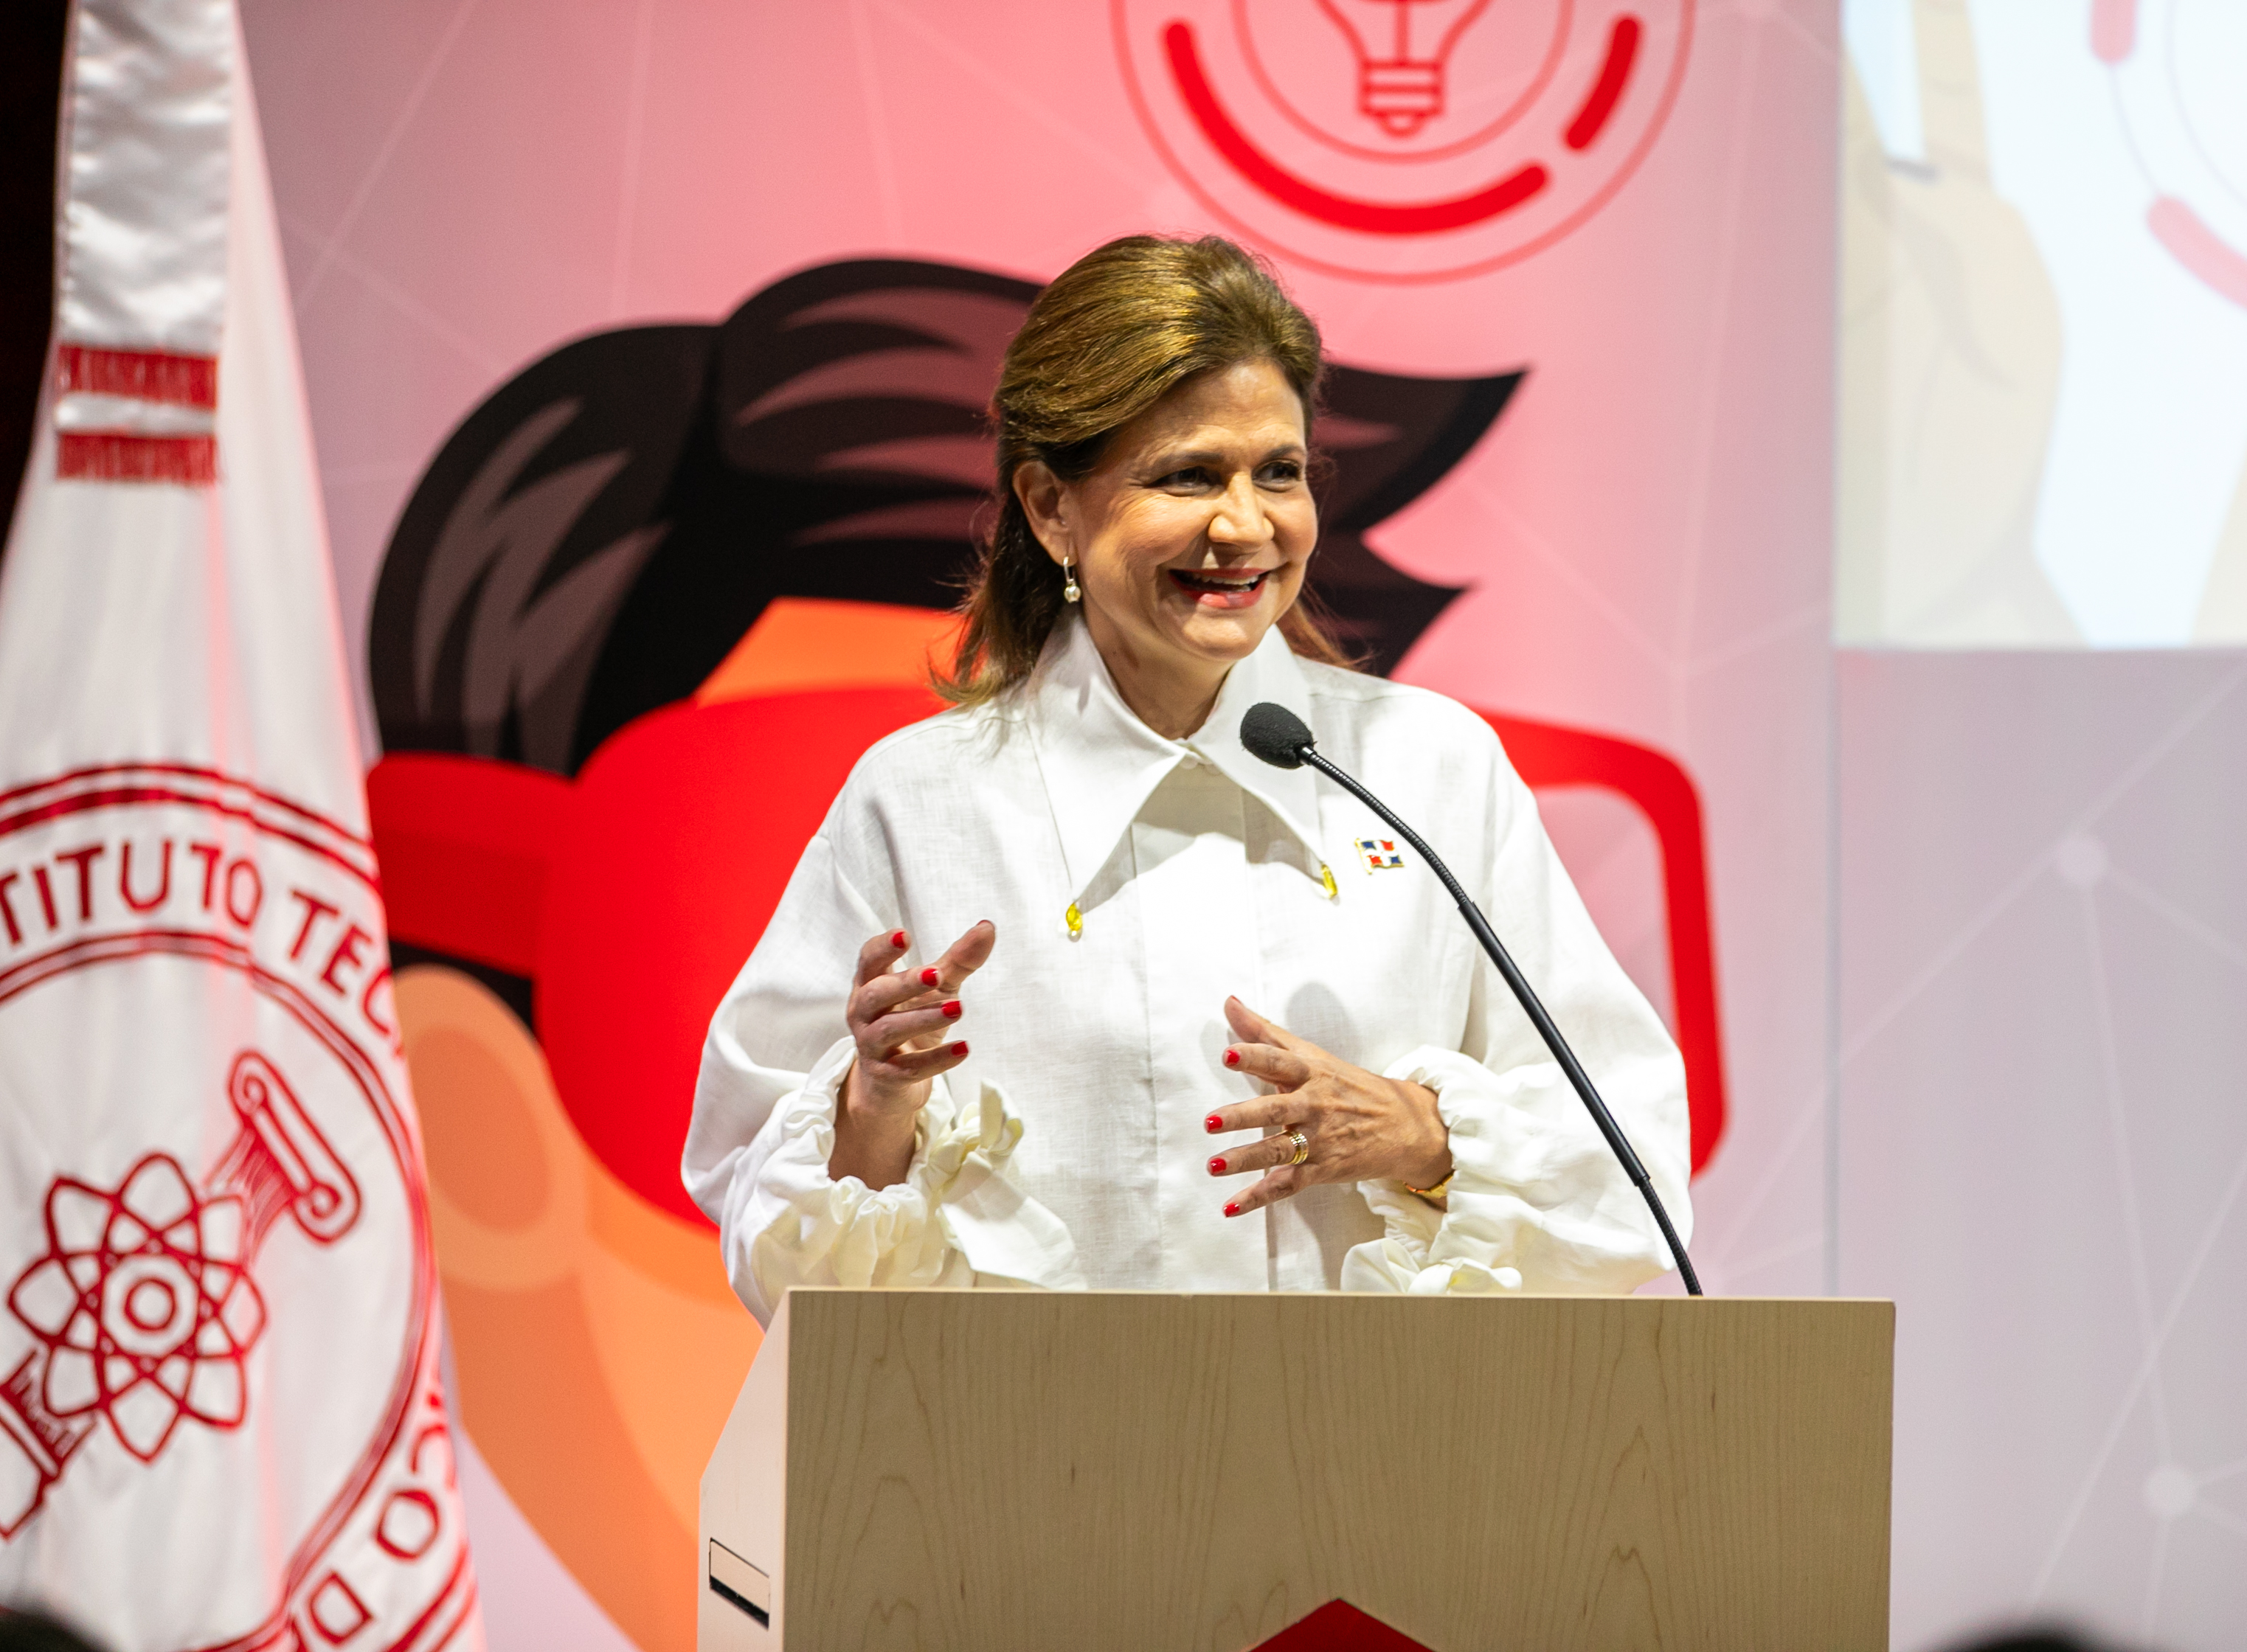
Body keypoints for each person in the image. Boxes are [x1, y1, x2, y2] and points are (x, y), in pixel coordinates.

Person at [682, 235, 1691, 1315]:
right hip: (1036, 1425)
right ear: (1051, 507)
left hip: (1378, 1422)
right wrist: (874, 1103)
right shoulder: (923, 802)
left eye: (1280, 473)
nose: (1245, 526)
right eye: (1188, 476)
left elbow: (1634, 1175)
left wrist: (1421, 1135)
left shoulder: (1432, 768)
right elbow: (774, 1252)